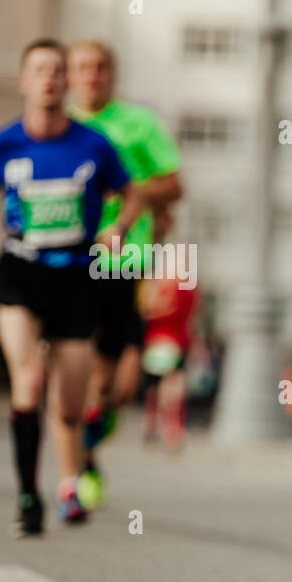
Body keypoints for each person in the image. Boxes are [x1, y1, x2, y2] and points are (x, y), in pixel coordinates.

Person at [0, 39, 143, 535]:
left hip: (76, 276)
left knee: (72, 403)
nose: (51, 79)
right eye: (40, 70)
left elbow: (133, 193)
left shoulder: (93, 145)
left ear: (66, 82)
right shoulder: (5, 142)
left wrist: (118, 227)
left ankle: (69, 484)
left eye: (58, 71)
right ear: (24, 81)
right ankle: (29, 496)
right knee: (29, 381)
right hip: (21, 271)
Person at [66, 39, 184, 507]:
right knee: (76, 358)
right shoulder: (60, 127)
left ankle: (98, 424)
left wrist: (130, 193)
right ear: (70, 74)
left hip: (124, 259)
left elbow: (175, 185)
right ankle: (76, 466)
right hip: (68, 258)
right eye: (82, 67)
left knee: (122, 382)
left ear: (112, 74)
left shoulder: (138, 124)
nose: (91, 75)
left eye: (101, 67)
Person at [138, 269, 197, 451]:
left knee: (159, 387)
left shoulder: (161, 285)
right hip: (174, 342)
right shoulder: (185, 286)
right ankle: (169, 427)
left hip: (160, 341)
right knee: (169, 387)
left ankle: (156, 424)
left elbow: (146, 309)